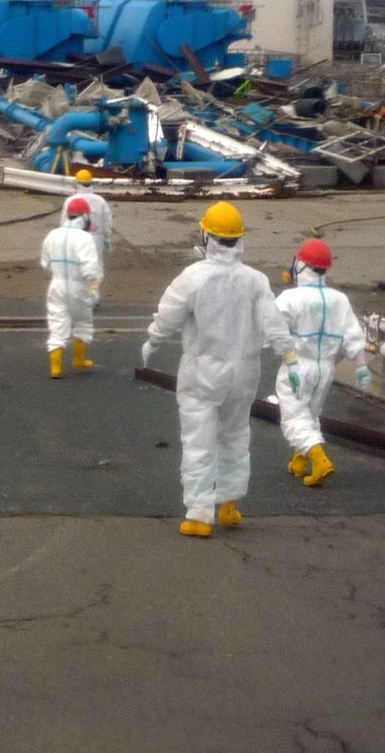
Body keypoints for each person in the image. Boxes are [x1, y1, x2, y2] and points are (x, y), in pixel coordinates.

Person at [141, 200, 297, 538]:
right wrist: (290, 357)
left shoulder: (193, 277)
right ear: (239, 240)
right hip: (243, 375)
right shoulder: (255, 281)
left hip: (202, 374)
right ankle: (229, 505)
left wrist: (153, 339)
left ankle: (199, 513)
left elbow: (169, 314)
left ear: (206, 235)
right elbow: (274, 324)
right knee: (235, 436)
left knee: (199, 441)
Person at [274, 239, 371, 487]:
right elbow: (353, 335)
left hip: (297, 365)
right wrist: (360, 365)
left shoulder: (290, 298)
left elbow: (273, 330)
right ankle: (300, 460)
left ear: (302, 265)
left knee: (294, 417)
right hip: (325, 369)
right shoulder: (339, 299)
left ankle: (319, 459)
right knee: (310, 413)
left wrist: (288, 360)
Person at [40, 197, 104, 379]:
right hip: (79, 287)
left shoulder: (52, 235)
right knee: (83, 322)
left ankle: (55, 367)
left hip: (57, 285)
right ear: (84, 216)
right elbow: (91, 272)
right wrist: (92, 293)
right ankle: (79, 359)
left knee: (57, 323)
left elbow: (45, 263)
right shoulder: (85, 238)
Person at [61, 169, 115, 263]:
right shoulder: (100, 201)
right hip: (96, 240)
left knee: (76, 265)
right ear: (91, 183)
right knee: (95, 266)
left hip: (75, 239)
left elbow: (64, 222)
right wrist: (107, 237)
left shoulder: (70, 201)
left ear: (77, 184)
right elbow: (107, 221)